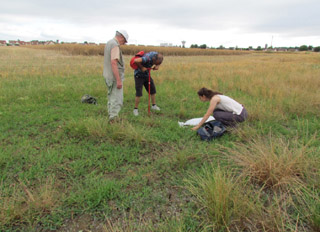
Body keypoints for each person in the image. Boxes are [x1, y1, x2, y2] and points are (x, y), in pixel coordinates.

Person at [103, 30, 128, 122]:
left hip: (107, 75)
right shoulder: (114, 45)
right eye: (124, 41)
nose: (124, 43)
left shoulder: (109, 43)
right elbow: (114, 63)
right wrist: (118, 80)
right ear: (121, 37)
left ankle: (111, 116)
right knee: (116, 99)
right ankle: (113, 119)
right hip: (113, 77)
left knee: (111, 97)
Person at [132, 51, 163, 116]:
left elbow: (160, 61)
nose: (154, 64)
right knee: (139, 93)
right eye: (155, 63)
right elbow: (136, 60)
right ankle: (135, 109)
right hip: (139, 75)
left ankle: (154, 106)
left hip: (147, 75)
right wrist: (142, 67)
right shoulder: (146, 58)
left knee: (152, 90)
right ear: (154, 59)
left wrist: (157, 65)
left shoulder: (157, 56)